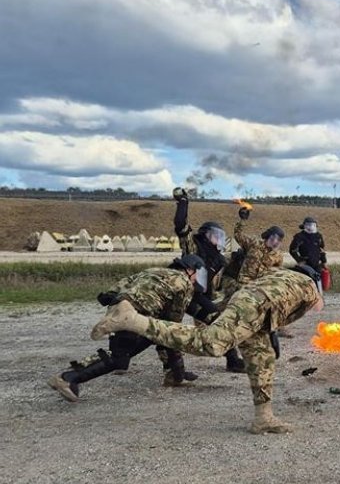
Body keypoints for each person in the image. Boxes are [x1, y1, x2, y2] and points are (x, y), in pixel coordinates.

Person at [90, 268, 323, 434]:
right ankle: (132, 321)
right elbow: (311, 306)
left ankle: (263, 418)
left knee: (262, 358)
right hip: (258, 308)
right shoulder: (309, 286)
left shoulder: (278, 273)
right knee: (210, 343)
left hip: (253, 306)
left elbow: (243, 293)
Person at [47, 255, 217, 402]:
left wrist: (112, 297)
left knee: (138, 343)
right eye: (198, 274)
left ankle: (173, 374)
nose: (196, 280)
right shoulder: (184, 283)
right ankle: (67, 378)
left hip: (120, 305)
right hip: (135, 314)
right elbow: (172, 326)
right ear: (189, 270)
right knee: (121, 357)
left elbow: (122, 283)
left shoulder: (154, 271)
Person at [172, 186, 245, 373]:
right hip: (179, 293)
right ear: (206, 235)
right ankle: (172, 368)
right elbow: (181, 225)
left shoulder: (219, 259)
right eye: (215, 235)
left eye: (220, 236)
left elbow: (220, 281)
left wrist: (239, 259)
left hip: (198, 298)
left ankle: (233, 360)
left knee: (219, 321)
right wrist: (183, 203)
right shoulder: (194, 247)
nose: (218, 240)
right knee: (165, 328)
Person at [232, 204, 285, 289]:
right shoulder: (254, 243)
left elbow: (276, 272)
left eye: (279, 240)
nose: (275, 242)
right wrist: (243, 220)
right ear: (268, 236)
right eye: (273, 238)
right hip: (244, 283)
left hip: (260, 287)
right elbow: (238, 235)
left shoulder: (278, 255)